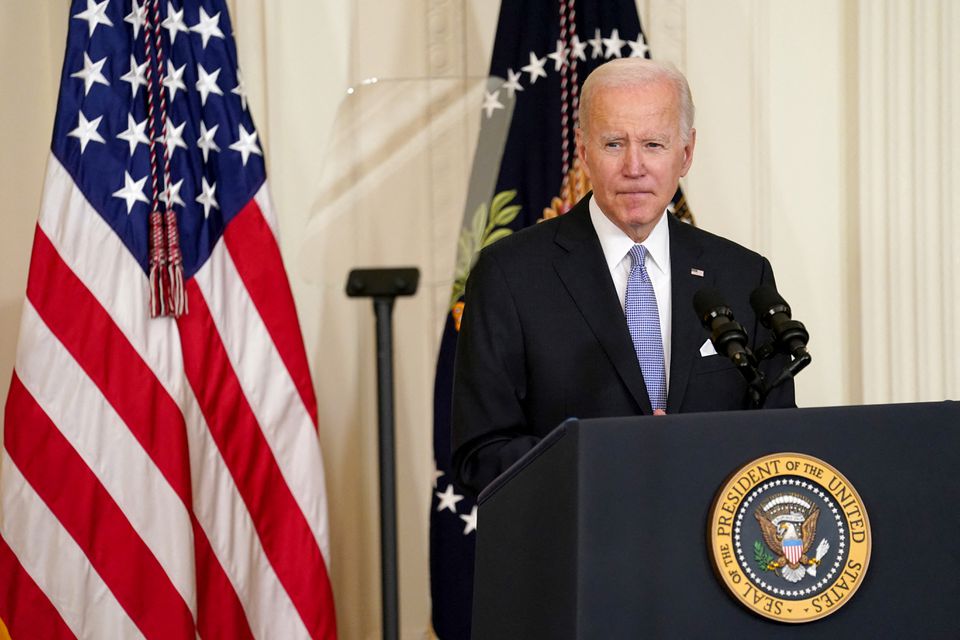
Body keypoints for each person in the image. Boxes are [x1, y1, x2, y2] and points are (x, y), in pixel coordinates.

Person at [451, 58, 795, 496]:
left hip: (711, 549)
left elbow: (780, 437)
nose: (634, 167)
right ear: (583, 151)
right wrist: (605, 460)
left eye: (653, 144)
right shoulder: (509, 275)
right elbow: (480, 451)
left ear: (686, 153)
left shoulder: (743, 275)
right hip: (575, 549)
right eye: (614, 143)